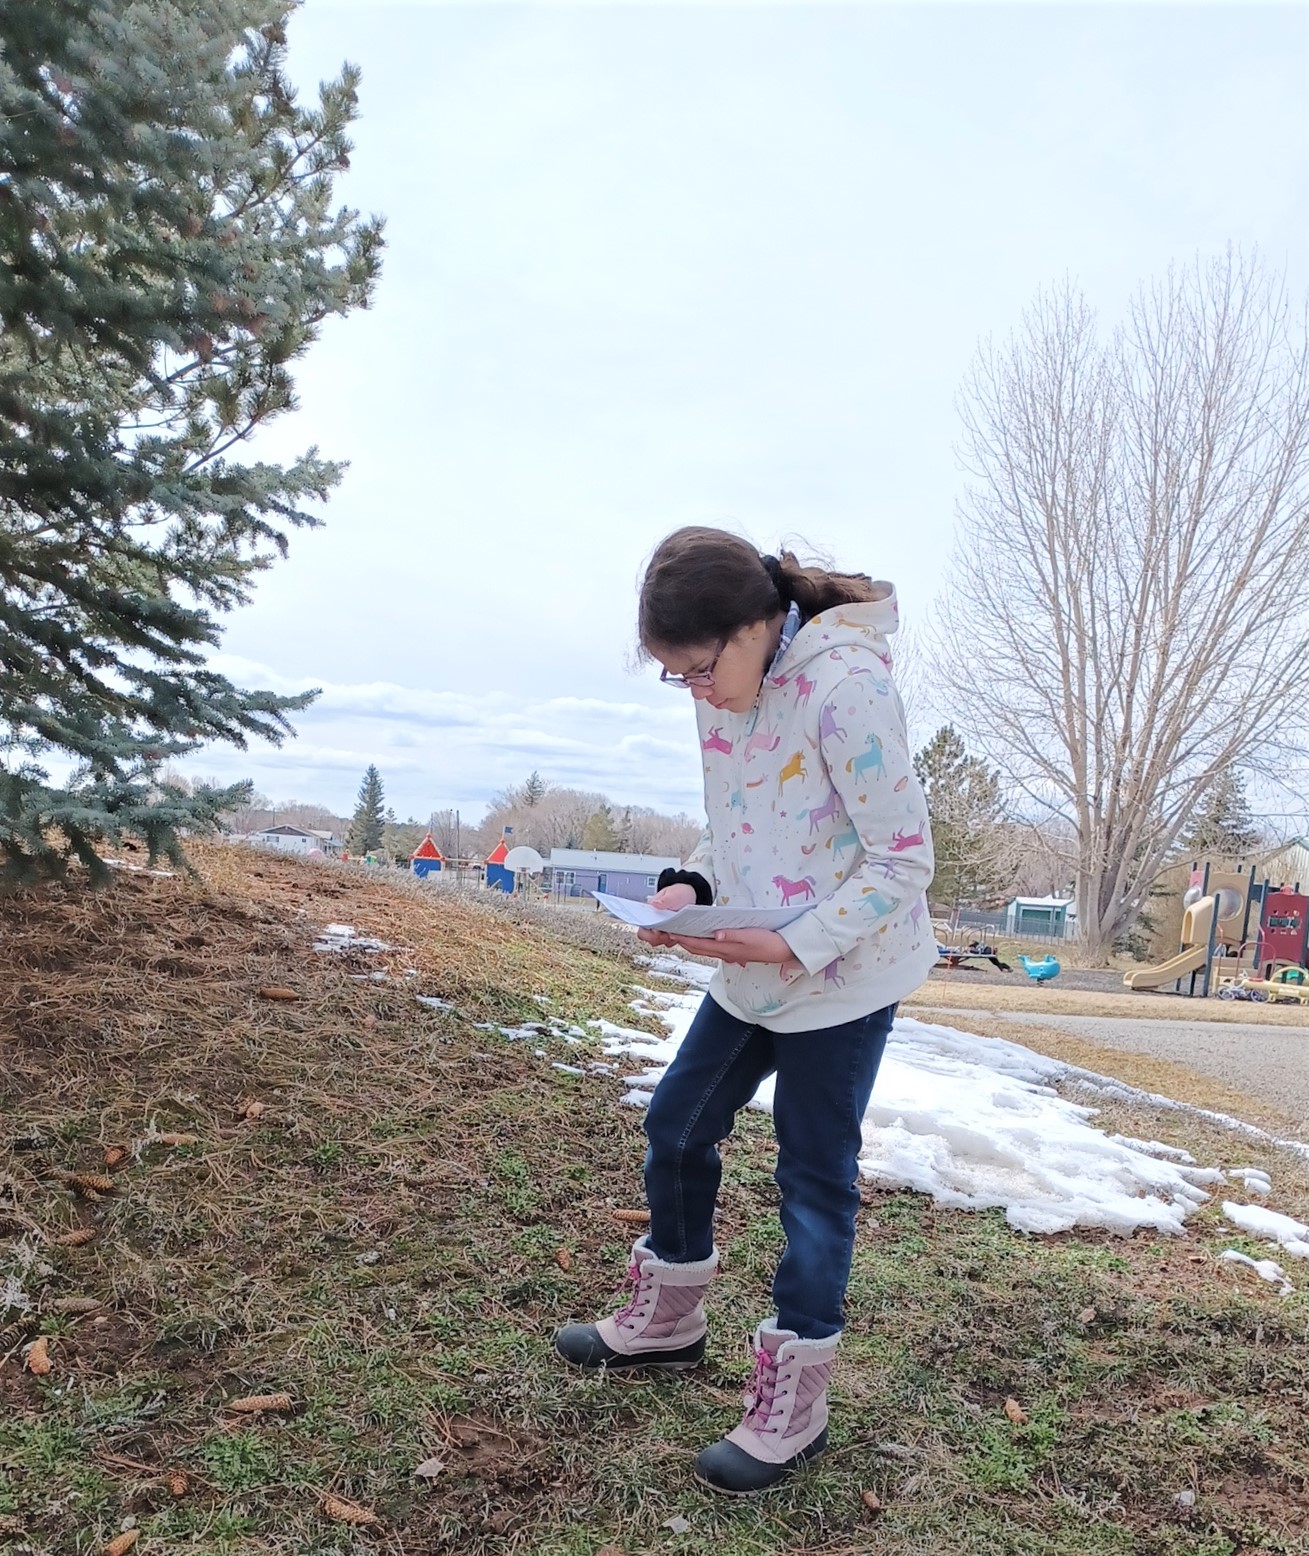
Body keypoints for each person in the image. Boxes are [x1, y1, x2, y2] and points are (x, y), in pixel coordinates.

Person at [555, 527, 936, 1495]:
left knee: (814, 1180)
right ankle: (668, 1320)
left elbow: (902, 859)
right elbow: (744, 819)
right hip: (749, 961)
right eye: (672, 677)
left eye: (696, 668)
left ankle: (794, 1400)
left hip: (841, 976)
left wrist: (797, 941)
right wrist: (687, 885)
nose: (694, 691)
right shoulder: (726, 688)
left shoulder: (848, 689)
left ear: (754, 625)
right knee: (677, 1124)